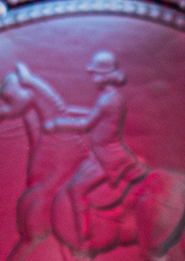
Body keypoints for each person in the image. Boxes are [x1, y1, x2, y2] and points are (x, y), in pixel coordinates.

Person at [44, 51, 143, 243]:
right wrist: (70, 110)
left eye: (95, 74)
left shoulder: (107, 100)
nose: (93, 78)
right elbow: (96, 114)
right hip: (100, 153)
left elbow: (86, 125)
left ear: (104, 76)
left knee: (76, 190)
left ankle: (84, 239)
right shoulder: (110, 97)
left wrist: (57, 125)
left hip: (108, 157)